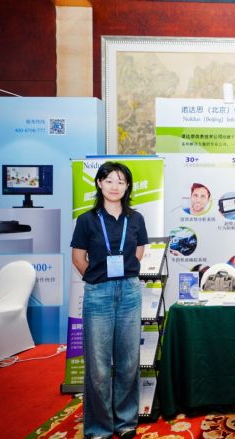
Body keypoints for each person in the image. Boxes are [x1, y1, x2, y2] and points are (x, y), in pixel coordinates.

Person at [71, 161, 149, 439]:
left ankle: (126, 421)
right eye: (109, 180)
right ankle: (99, 427)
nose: (115, 186)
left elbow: (139, 251)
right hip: (98, 293)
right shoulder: (86, 220)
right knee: (99, 365)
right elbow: (78, 258)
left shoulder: (136, 218)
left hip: (129, 292)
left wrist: (123, 275)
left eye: (121, 181)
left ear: (127, 187)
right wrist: (98, 278)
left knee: (129, 361)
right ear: (99, 183)